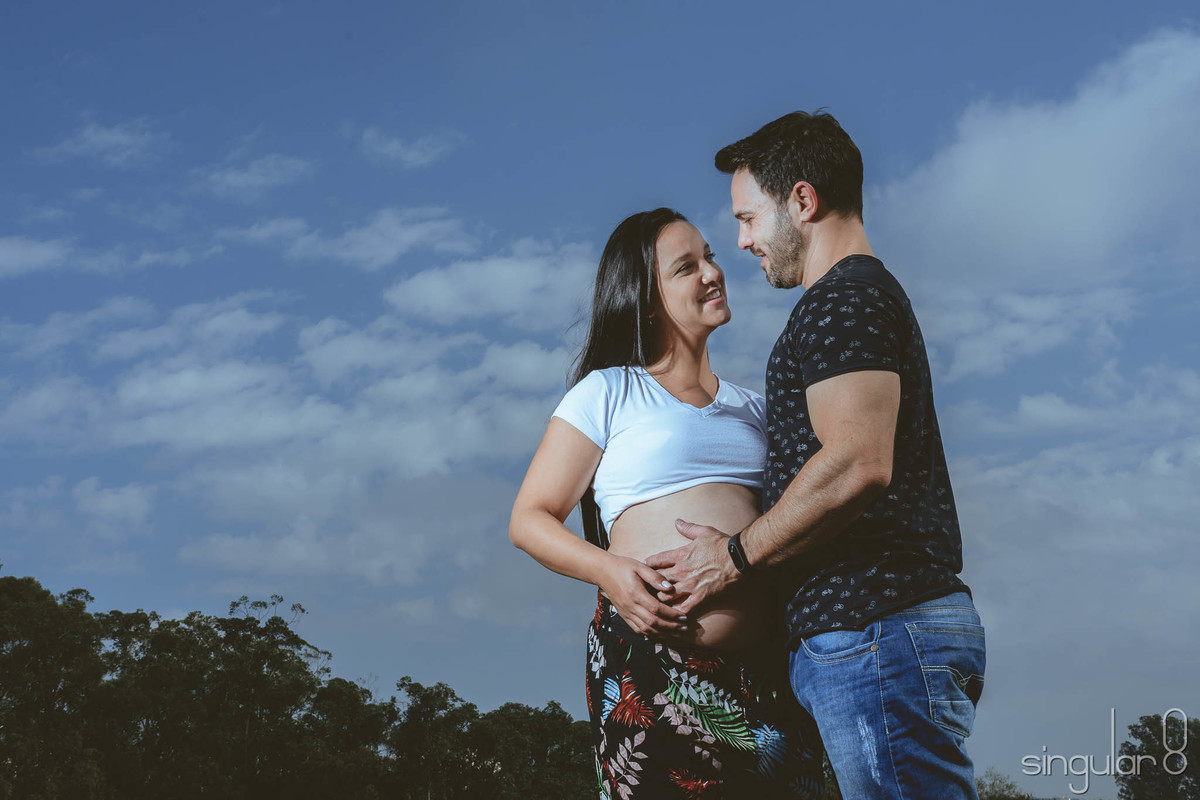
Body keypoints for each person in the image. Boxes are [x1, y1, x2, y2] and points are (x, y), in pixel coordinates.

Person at [645, 112, 987, 799]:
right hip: (876, 641)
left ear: (802, 201)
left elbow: (859, 461)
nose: (742, 243)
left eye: (748, 219)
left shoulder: (843, 299)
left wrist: (733, 554)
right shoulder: (852, 299)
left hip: (877, 632)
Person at [509, 208, 824, 799]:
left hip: (767, 675)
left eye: (709, 255)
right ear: (647, 300)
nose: (712, 272)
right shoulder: (608, 391)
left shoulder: (758, 408)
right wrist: (610, 572)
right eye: (687, 267)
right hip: (649, 669)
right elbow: (530, 519)